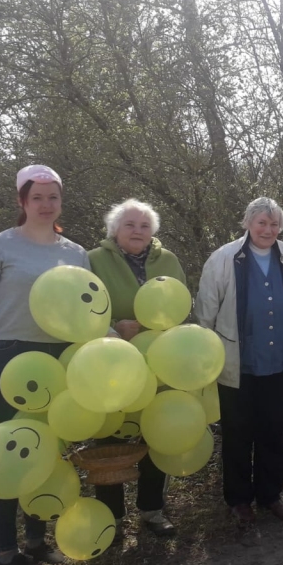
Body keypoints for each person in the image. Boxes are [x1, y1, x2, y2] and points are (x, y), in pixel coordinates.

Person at [0, 165, 89, 565]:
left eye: (53, 197)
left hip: (55, 364)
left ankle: (36, 541)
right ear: (22, 202)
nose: (46, 205)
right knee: (6, 454)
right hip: (4, 359)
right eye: (37, 198)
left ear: (61, 201)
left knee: (43, 453)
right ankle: (6, 551)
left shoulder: (75, 253)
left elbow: (86, 314)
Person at [196, 197, 283, 526]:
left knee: (272, 431)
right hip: (236, 363)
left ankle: (271, 495)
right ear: (247, 223)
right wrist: (205, 356)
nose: (268, 229)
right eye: (261, 222)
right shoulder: (224, 258)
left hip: (275, 361)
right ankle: (239, 499)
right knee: (238, 433)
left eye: (274, 224)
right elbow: (206, 311)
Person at [88, 199, 187, 537]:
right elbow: (83, 311)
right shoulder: (94, 260)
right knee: (110, 436)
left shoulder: (169, 261)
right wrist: (116, 326)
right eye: (130, 225)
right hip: (110, 362)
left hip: (160, 362)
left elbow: (181, 305)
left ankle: (152, 510)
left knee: (154, 431)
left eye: (144, 226)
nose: (137, 231)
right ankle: (111, 518)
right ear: (114, 229)